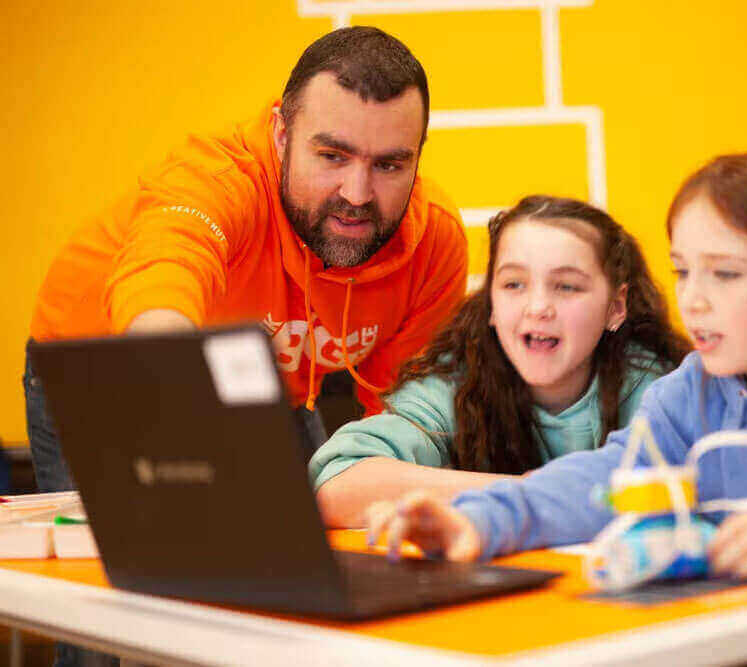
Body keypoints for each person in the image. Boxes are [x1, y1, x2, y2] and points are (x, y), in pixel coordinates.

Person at [367, 150, 747, 662]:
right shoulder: (695, 387)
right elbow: (611, 478)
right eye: (683, 272)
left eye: (724, 274)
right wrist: (480, 520)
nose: (693, 300)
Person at [25, 27, 468, 494]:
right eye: (332, 156)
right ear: (281, 134)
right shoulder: (220, 180)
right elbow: (167, 263)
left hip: (266, 386)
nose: (357, 195)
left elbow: (399, 412)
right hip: (107, 369)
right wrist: (170, 373)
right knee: (134, 555)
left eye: (389, 165)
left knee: (298, 544)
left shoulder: (433, 242)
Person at [309, 195, 690, 526]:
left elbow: (670, 495)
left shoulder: (656, 386)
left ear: (615, 307)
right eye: (513, 284)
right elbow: (336, 485)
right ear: (491, 302)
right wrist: (523, 493)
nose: (538, 307)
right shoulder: (459, 381)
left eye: (567, 286)